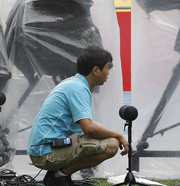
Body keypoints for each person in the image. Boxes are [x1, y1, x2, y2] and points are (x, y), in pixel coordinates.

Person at [27, 45, 129, 186]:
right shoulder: (79, 88)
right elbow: (88, 128)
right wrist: (119, 134)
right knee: (112, 144)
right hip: (45, 153)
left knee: (103, 138)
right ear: (96, 70)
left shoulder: (74, 83)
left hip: (42, 149)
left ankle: (57, 174)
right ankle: (60, 175)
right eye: (107, 68)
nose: (108, 73)